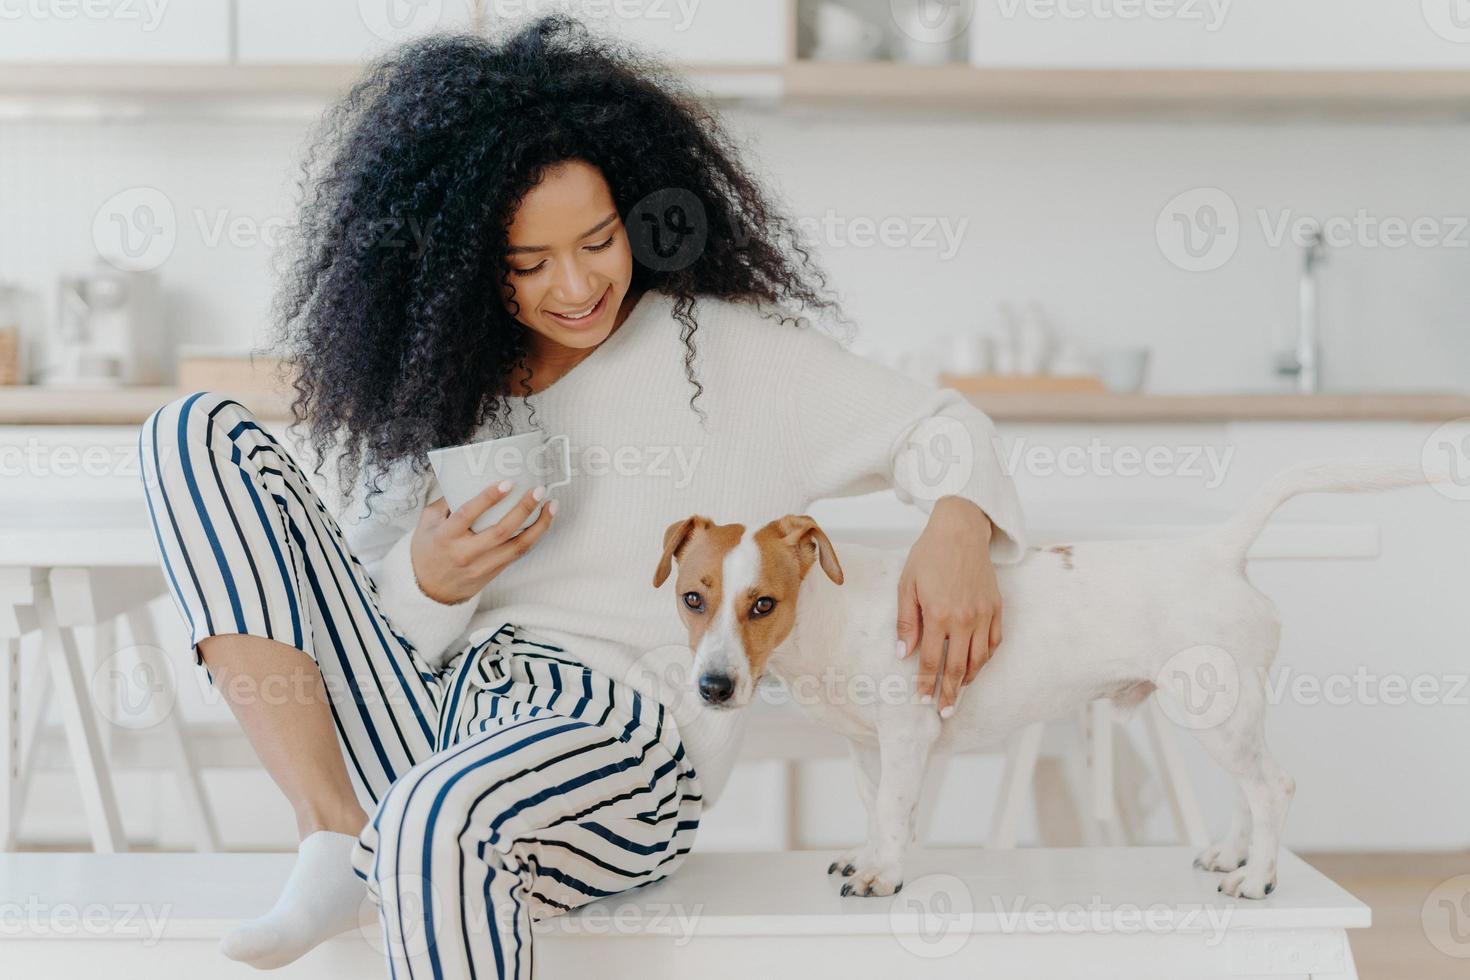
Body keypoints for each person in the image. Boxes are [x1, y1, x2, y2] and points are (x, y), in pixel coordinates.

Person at [137, 14, 1026, 977]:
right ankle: (331, 833)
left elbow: (941, 429)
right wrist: (431, 579)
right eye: (527, 265)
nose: (576, 286)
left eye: (599, 242)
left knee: (438, 818)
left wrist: (959, 523)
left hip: (624, 737)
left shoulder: (723, 354)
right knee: (191, 434)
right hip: (442, 719)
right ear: (468, 266)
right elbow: (358, 625)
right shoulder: (448, 388)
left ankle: (387, 836)